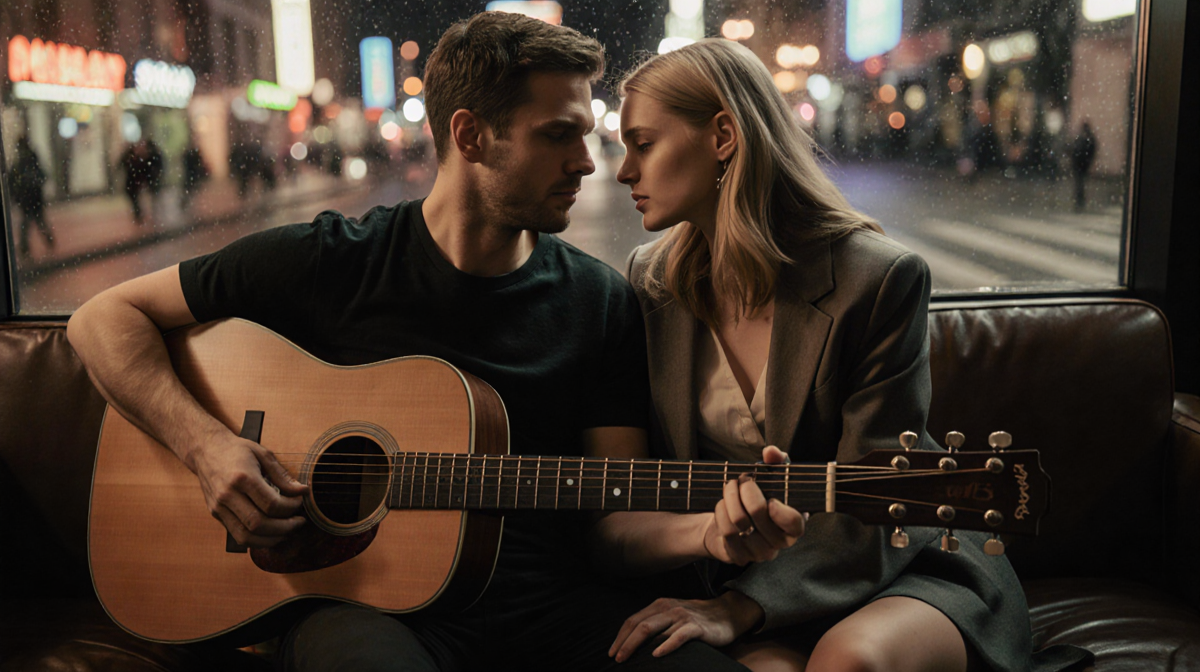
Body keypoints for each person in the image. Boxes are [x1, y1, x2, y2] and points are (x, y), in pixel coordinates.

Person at [67, 13, 751, 672]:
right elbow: (101, 318)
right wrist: (207, 447)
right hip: (363, 606)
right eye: (557, 136)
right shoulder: (331, 261)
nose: (587, 161)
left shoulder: (601, 301)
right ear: (471, 135)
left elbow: (613, 527)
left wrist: (709, 533)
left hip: (552, 608)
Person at [607, 40, 1093, 672]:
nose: (623, 171)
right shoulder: (651, 282)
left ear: (723, 135)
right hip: (738, 578)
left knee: (849, 661)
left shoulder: (877, 279)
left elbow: (881, 504)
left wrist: (741, 610)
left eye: (643, 144)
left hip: (898, 561)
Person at [11, 137, 53, 256]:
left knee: (31, 223)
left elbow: (40, 176)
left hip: (31, 198)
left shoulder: (26, 161)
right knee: (34, 222)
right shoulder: (28, 160)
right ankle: (29, 246)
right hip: (32, 198)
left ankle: (26, 247)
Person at [119, 138, 154, 224]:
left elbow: (145, 170)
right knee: (135, 198)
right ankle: (139, 214)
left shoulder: (141, 157)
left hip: (136, 181)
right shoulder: (132, 156)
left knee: (138, 198)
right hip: (133, 181)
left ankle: (139, 214)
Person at [1071, 122, 1097, 212]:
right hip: (1080, 163)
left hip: (1081, 163)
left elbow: (1089, 150)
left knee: (1080, 182)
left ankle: (1080, 199)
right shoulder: (1083, 138)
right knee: (1079, 182)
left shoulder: (1085, 139)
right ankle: (1079, 199)